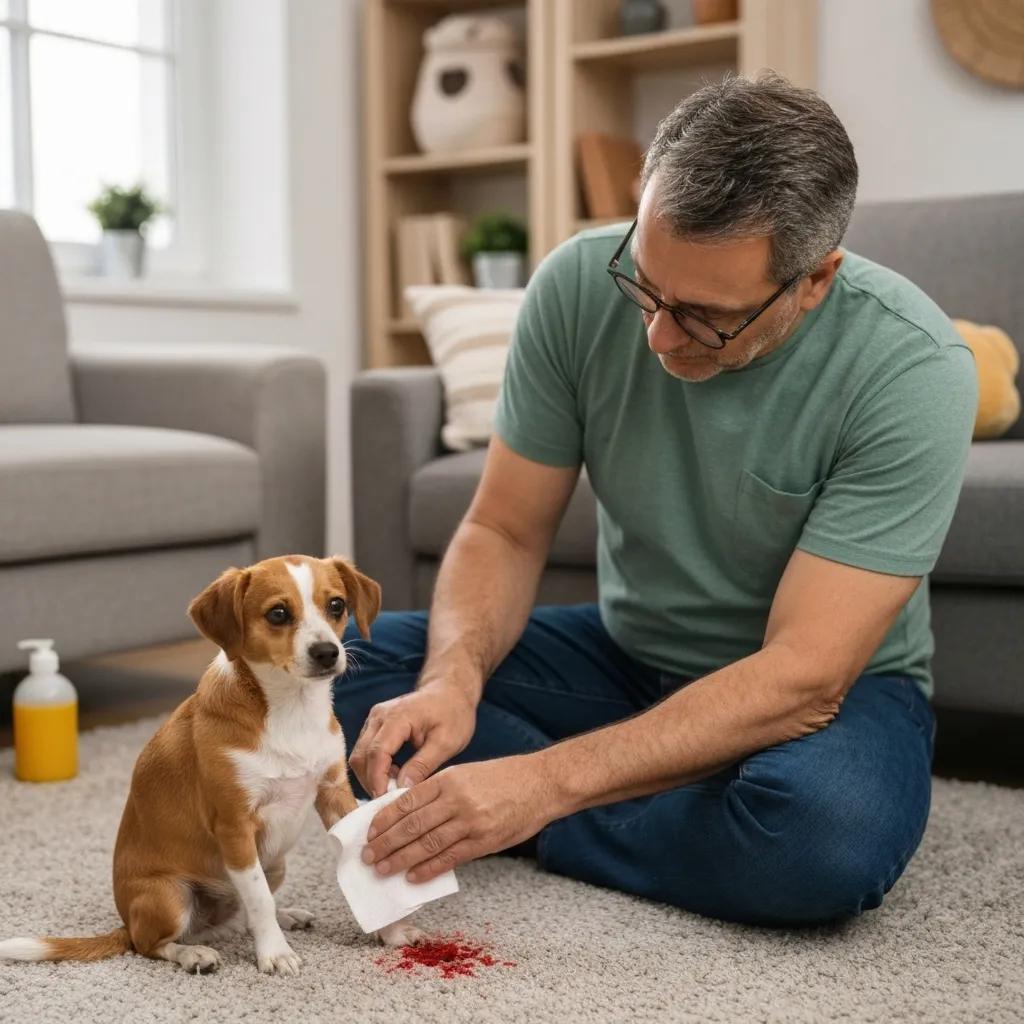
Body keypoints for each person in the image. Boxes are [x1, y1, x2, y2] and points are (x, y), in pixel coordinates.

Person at [334, 69, 977, 927]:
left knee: (821, 841)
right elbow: (503, 528)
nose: (658, 335)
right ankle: (663, 791)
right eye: (645, 286)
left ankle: (546, 810)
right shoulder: (572, 286)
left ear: (815, 279)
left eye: (707, 317)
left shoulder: (913, 367)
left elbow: (805, 676)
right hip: (626, 655)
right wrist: (455, 681)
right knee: (342, 673)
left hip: (831, 691)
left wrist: (543, 784)